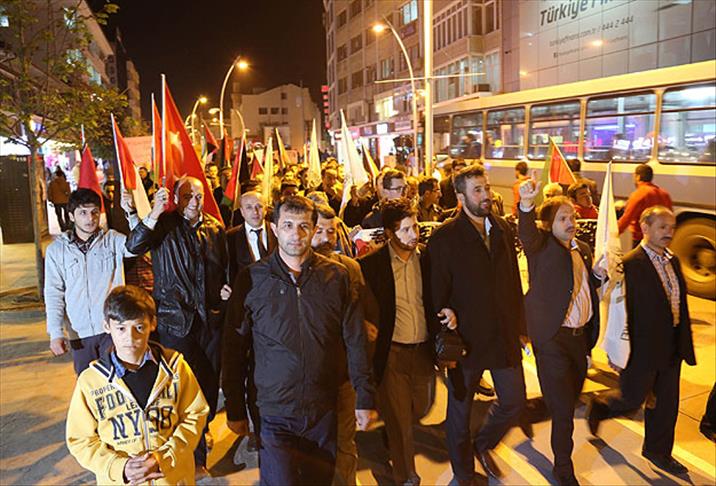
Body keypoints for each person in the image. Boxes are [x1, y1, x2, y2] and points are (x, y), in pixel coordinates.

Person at [222, 195, 377, 485]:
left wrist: (364, 396)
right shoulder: (252, 279)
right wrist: (234, 406)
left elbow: (355, 340)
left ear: (314, 229)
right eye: (288, 225)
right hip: (273, 411)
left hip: (323, 409)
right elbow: (234, 348)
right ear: (275, 228)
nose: (296, 234)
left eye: (304, 226)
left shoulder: (337, 277)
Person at [427, 165, 528, 484]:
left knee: (514, 400)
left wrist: (521, 327)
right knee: (460, 413)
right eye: (477, 190)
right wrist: (443, 319)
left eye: (486, 188)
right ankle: (464, 472)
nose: (486, 195)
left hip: (502, 335)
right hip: (464, 340)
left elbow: (513, 280)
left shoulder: (502, 228)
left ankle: (483, 445)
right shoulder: (444, 237)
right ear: (461, 197)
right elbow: (435, 291)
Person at [124, 176, 231, 475]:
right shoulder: (164, 225)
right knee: (179, 385)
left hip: (209, 320)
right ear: (175, 198)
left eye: (198, 196)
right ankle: (187, 452)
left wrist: (224, 290)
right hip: (174, 321)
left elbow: (223, 267)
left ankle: (200, 436)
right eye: (187, 196)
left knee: (208, 382)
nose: (194, 202)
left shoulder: (214, 228)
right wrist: (154, 213)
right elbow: (134, 245)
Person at [588, 206, 696, 476]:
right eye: (662, 227)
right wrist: (615, 350)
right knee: (631, 398)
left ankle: (658, 451)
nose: (669, 233)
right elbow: (616, 311)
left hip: (672, 346)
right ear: (645, 228)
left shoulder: (673, 260)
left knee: (667, 404)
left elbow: (679, 305)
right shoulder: (630, 264)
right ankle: (601, 406)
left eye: (672, 228)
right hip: (641, 348)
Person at [66, 285, 209, 485]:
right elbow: (80, 439)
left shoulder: (175, 368)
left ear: (153, 324)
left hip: (171, 478)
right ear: (107, 326)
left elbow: (195, 414)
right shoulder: (91, 381)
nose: (130, 338)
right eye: (121, 328)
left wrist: (165, 457)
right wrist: (119, 467)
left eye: (139, 327)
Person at [518, 178, 605, 486]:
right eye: (563, 218)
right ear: (548, 225)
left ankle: (526, 410)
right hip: (552, 339)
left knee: (568, 397)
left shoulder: (582, 249)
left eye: (573, 217)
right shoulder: (541, 246)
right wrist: (526, 204)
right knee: (565, 411)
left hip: (579, 340)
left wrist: (598, 277)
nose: (571, 223)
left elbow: (582, 287)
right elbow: (526, 234)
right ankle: (563, 468)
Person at [359, 198, 448, 486]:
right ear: (389, 233)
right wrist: (364, 323)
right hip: (392, 353)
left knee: (420, 408)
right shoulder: (371, 265)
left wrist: (449, 311)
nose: (414, 234)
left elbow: (443, 293)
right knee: (400, 423)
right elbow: (357, 302)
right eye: (406, 229)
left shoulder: (428, 259)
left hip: (423, 351)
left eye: (416, 227)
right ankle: (406, 476)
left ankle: (391, 436)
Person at [311, 204, 370, 486]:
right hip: (310, 381)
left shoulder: (351, 269)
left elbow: (362, 322)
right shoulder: (294, 271)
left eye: (331, 231)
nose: (326, 238)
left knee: (345, 441)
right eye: (319, 231)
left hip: (344, 376)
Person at [45, 188, 134, 375]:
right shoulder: (57, 251)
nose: (90, 218)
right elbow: (53, 294)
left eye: (94, 212)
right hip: (79, 333)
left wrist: (132, 213)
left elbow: (137, 247)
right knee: (88, 383)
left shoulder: (113, 240)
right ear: (71, 216)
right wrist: (55, 333)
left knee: (119, 381)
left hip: (112, 329)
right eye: (83, 213)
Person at [227, 191, 277, 282]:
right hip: (247, 289)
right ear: (242, 211)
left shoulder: (278, 231)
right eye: (249, 207)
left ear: (266, 209)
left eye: (259, 206)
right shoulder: (230, 237)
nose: (255, 212)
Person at [618, 164, 673, 248]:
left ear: (638, 177)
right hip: (660, 240)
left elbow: (627, 218)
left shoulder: (639, 194)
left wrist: (614, 233)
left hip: (642, 240)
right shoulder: (664, 194)